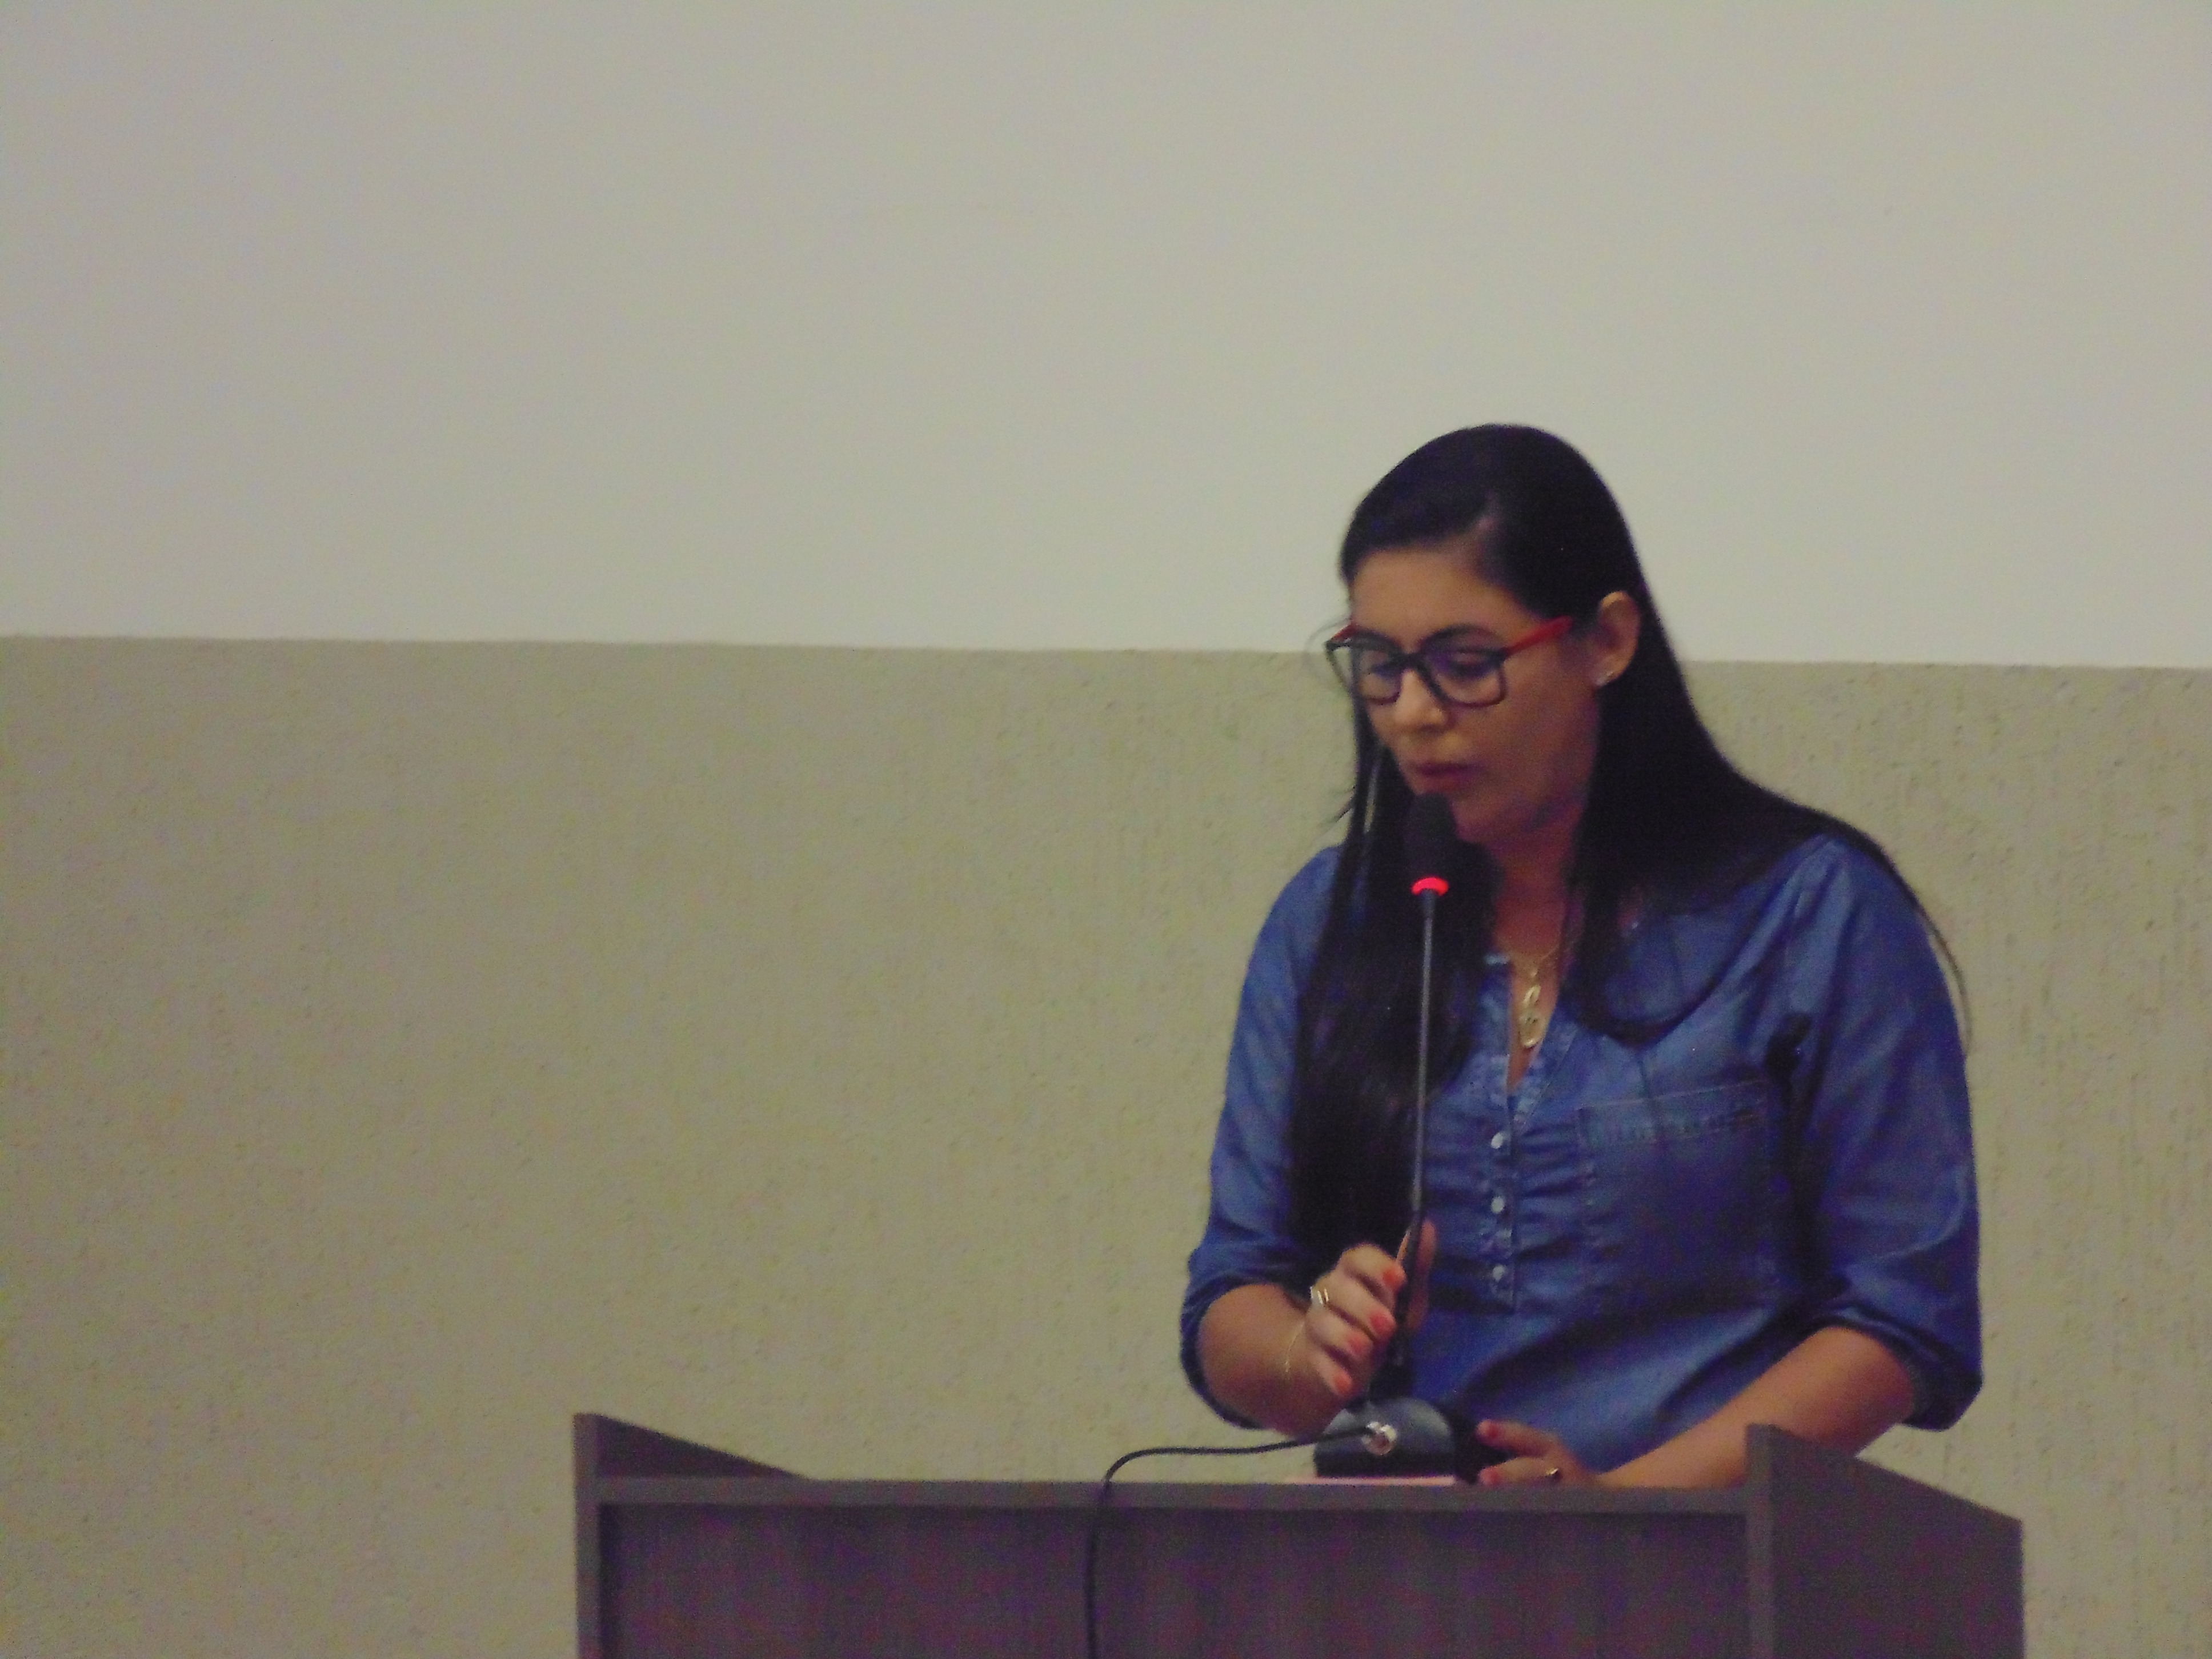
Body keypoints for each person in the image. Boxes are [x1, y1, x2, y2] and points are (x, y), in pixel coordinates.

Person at [1180, 426, 1979, 1487]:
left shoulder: (1807, 913)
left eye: (1466, 665)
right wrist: (1306, 1351)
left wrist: (1619, 1509)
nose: (1413, 714)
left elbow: (1900, 1318)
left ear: (1606, 641)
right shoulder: (1331, 922)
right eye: (1380, 666)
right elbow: (1233, 1294)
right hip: (1410, 1560)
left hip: (1711, 1557)